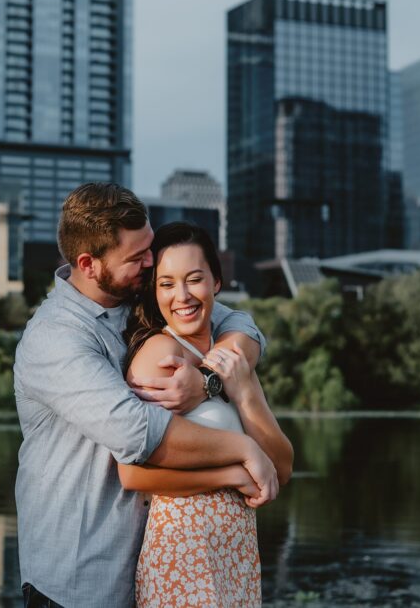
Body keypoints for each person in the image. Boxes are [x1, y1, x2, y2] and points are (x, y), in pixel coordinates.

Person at [14, 184, 277, 607]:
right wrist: (244, 451)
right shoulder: (56, 338)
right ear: (89, 264)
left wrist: (208, 379)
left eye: (149, 248)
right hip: (79, 582)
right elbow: (141, 433)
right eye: (137, 257)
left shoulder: (138, 296)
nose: (151, 263)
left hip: (149, 571)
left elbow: (241, 325)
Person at [118, 222, 293, 607]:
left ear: (216, 281)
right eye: (166, 284)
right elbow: (132, 473)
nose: (181, 296)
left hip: (236, 554)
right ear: (154, 291)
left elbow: (281, 468)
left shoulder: (231, 356)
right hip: (184, 552)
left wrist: (243, 391)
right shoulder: (160, 354)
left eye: (194, 279)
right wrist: (230, 474)